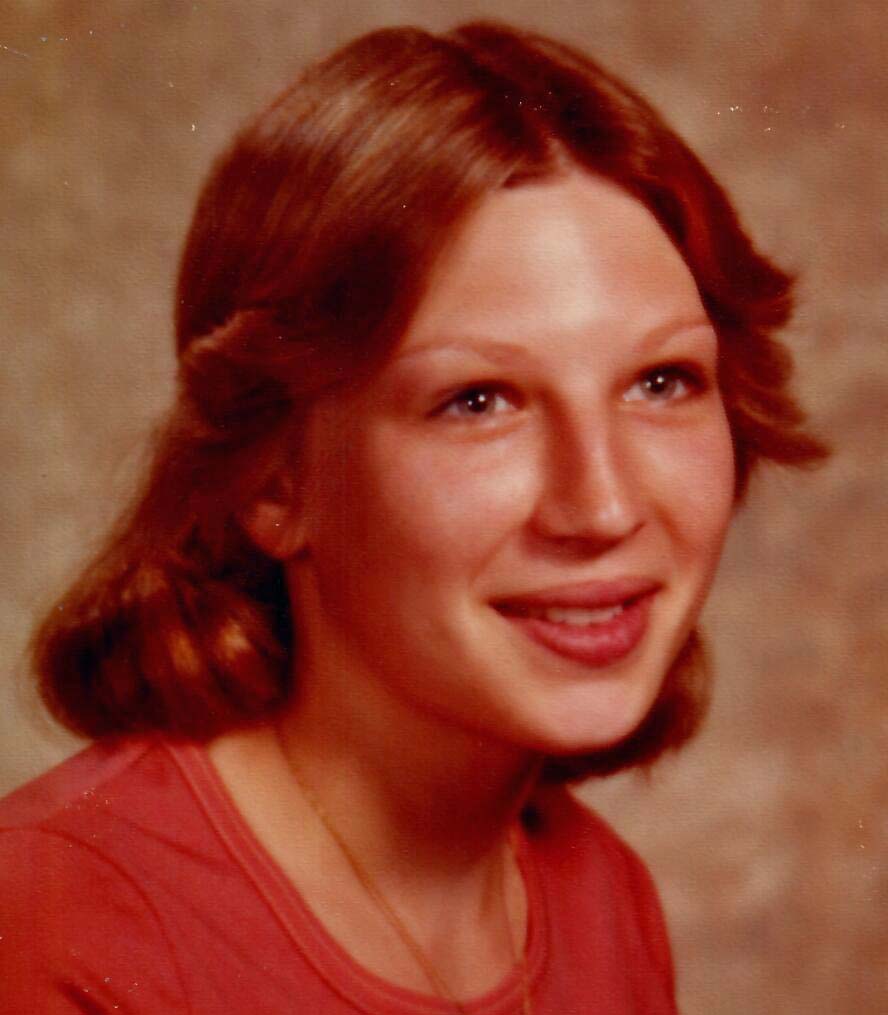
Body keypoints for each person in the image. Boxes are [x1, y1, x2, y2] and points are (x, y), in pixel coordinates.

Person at [0, 20, 826, 1014]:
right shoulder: (56, 929)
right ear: (272, 482)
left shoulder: (604, 899)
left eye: (662, 380)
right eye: (478, 400)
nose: (603, 504)